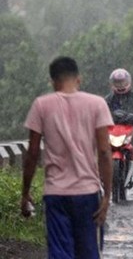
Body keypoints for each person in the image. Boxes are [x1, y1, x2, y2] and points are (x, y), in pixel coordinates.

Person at [21, 56, 113, 259]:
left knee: (60, 253)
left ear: (53, 81)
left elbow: (32, 153)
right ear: (78, 79)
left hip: (56, 194)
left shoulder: (41, 105)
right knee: (88, 252)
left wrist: (25, 193)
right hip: (88, 192)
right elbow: (105, 152)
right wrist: (107, 196)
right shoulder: (97, 104)